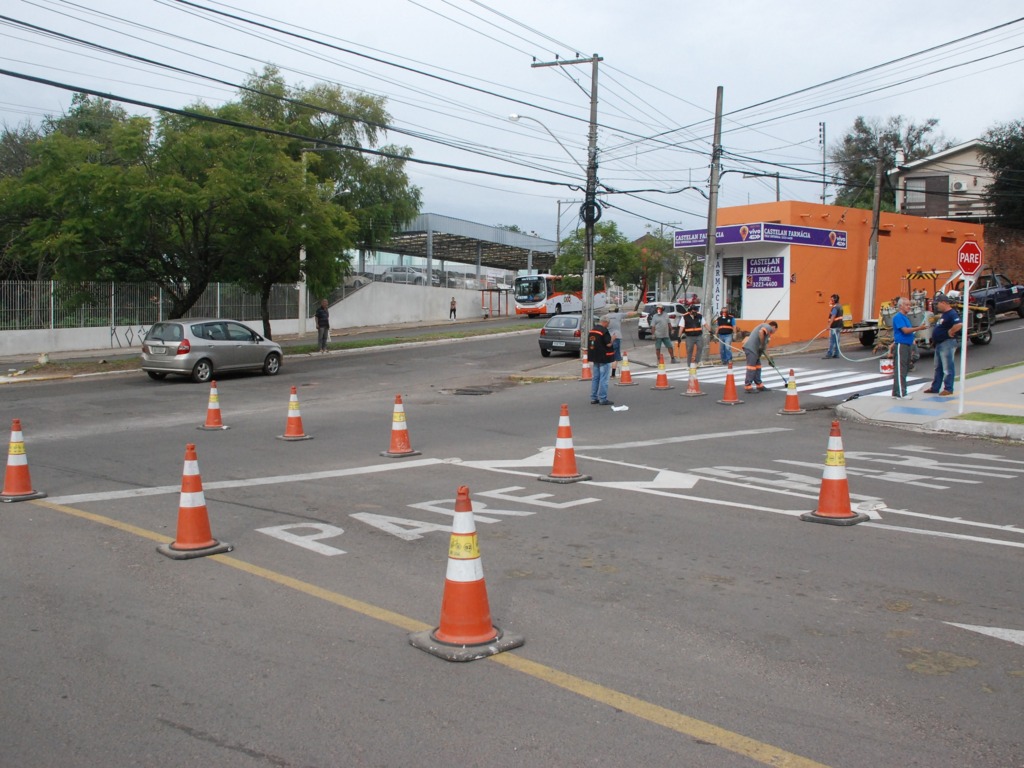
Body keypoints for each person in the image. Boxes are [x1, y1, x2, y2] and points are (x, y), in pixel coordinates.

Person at [923, 293, 962, 396]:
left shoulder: (951, 313)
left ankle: (948, 388)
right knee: (938, 367)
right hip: (940, 343)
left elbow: (959, 324)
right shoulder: (944, 314)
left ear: (944, 303)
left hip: (947, 343)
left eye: (938, 303)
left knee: (947, 367)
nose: (936, 306)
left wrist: (951, 332)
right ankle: (935, 387)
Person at [891, 297, 927, 398]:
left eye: (909, 305)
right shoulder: (898, 317)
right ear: (900, 306)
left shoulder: (905, 317)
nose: (909, 307)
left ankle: (896, 392)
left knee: (905, 368)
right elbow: (905, 331)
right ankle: (901, 393)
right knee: (901, 369)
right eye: (907, 305)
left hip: (907, 344)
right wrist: (919, 328)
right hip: (901, 345)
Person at [604, 305, 640, 377]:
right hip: (616, 337)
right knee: (615, 357)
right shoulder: (619, 315)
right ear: (616, 309)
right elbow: (629, 314)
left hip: (607, 338)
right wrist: (636, 312)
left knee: (607, 356)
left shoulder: (606, 317)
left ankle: (605, 373)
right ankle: (613, 373)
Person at [742, 320, 778, 392]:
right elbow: (761, 332)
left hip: (755, 351)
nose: (774, 332)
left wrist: (769, 360)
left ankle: (759, 385)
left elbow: (764, 348)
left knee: (758, 367)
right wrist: (761, 344)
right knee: (751, 367)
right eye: (775, 330)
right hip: (751, 349)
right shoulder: (767, 327)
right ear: (774, 327)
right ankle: (748, 386)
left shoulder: (767, 334)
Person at [588, 315, 615, 406]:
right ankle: (603, 398)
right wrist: (613, 339)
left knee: (596, 378)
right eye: (608, 323)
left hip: (594, 357)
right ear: (605, 322)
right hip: (604, 357)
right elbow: (608, 344)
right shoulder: (604, 331)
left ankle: (593, 398)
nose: (608, 325)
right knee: (604, 378)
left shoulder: (592, 330)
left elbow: (591, 343)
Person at [823, 293, 843, 359]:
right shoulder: (840, 306)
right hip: (839, 326)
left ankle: (829, 353)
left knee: (832, 340)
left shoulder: (835, 308)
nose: (830, 301)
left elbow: (833, 317)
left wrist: (828, 325)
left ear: (834, 300)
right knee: (837, 340)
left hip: (834, 327)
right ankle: (837, 354)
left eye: (831, 299)